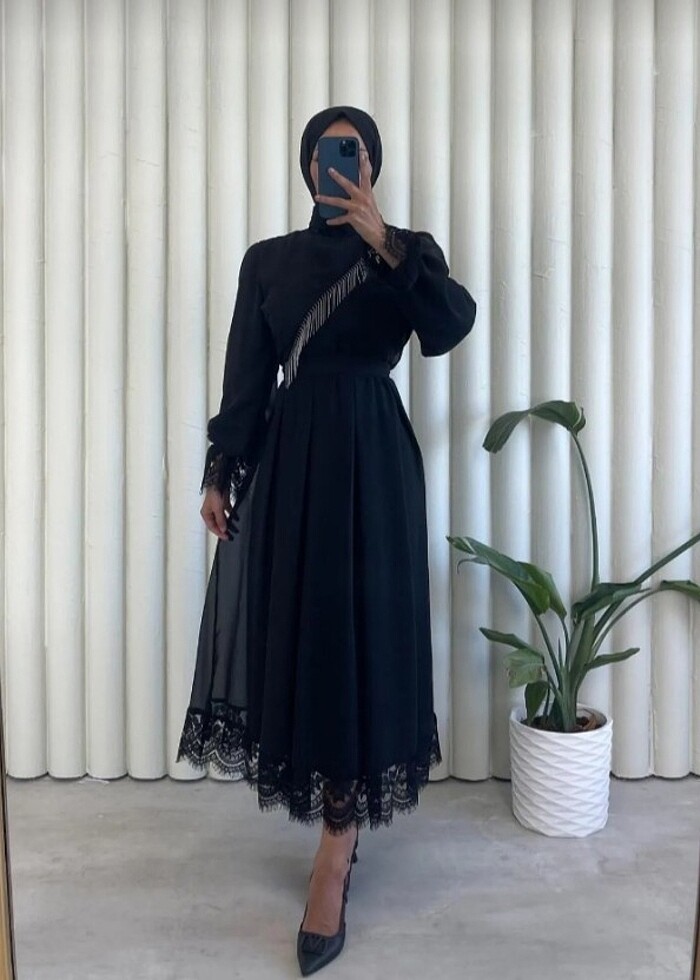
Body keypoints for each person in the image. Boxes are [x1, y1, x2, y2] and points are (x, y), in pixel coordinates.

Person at [176, 105, 477, 975]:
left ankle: (336, 854)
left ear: (371, 165)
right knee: (306, 636)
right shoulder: (267, 261)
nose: (336, 164)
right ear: (307, 165)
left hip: (373, 466)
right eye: (323, 151)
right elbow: (246, 374)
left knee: (361, 635)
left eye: (352, 151)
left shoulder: (405, 253)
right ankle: (336, 823)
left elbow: (450, 327)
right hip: (294, 467)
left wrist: (386, 240)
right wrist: (220, 471)